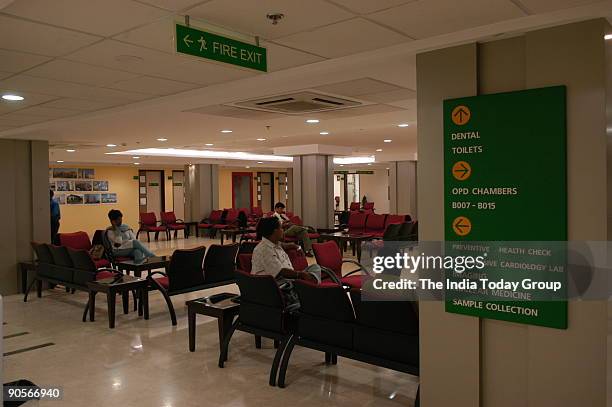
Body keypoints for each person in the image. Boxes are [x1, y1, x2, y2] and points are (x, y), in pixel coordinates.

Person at [252, 217, 321, 306]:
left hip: (288, 279)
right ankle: (310, 290)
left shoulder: (275, 243)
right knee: (305, 279)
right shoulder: (264, 250)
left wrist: (294, 246)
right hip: (275, 285)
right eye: (281, 228)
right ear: (274, 231)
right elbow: (281, 272)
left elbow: (284, 245)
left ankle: (310, 289)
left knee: (315, 267)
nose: (283, 230)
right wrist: (300, 274)